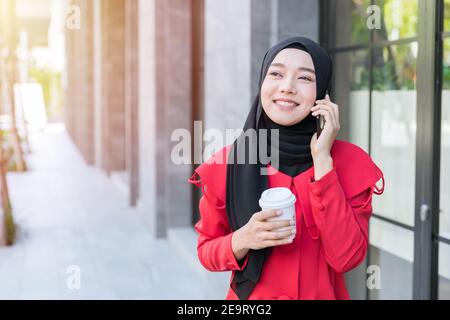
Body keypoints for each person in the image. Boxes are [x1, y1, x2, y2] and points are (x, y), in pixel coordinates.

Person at [188, 36, 385, 300]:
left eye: (305, 78)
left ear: (323, 93)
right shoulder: (228, 163)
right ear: (262, 83)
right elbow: (206, 252)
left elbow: (346, 258)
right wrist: (242, 239)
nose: (287, 87)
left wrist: (323, 162)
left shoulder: (351, 163)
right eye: (276, 73)